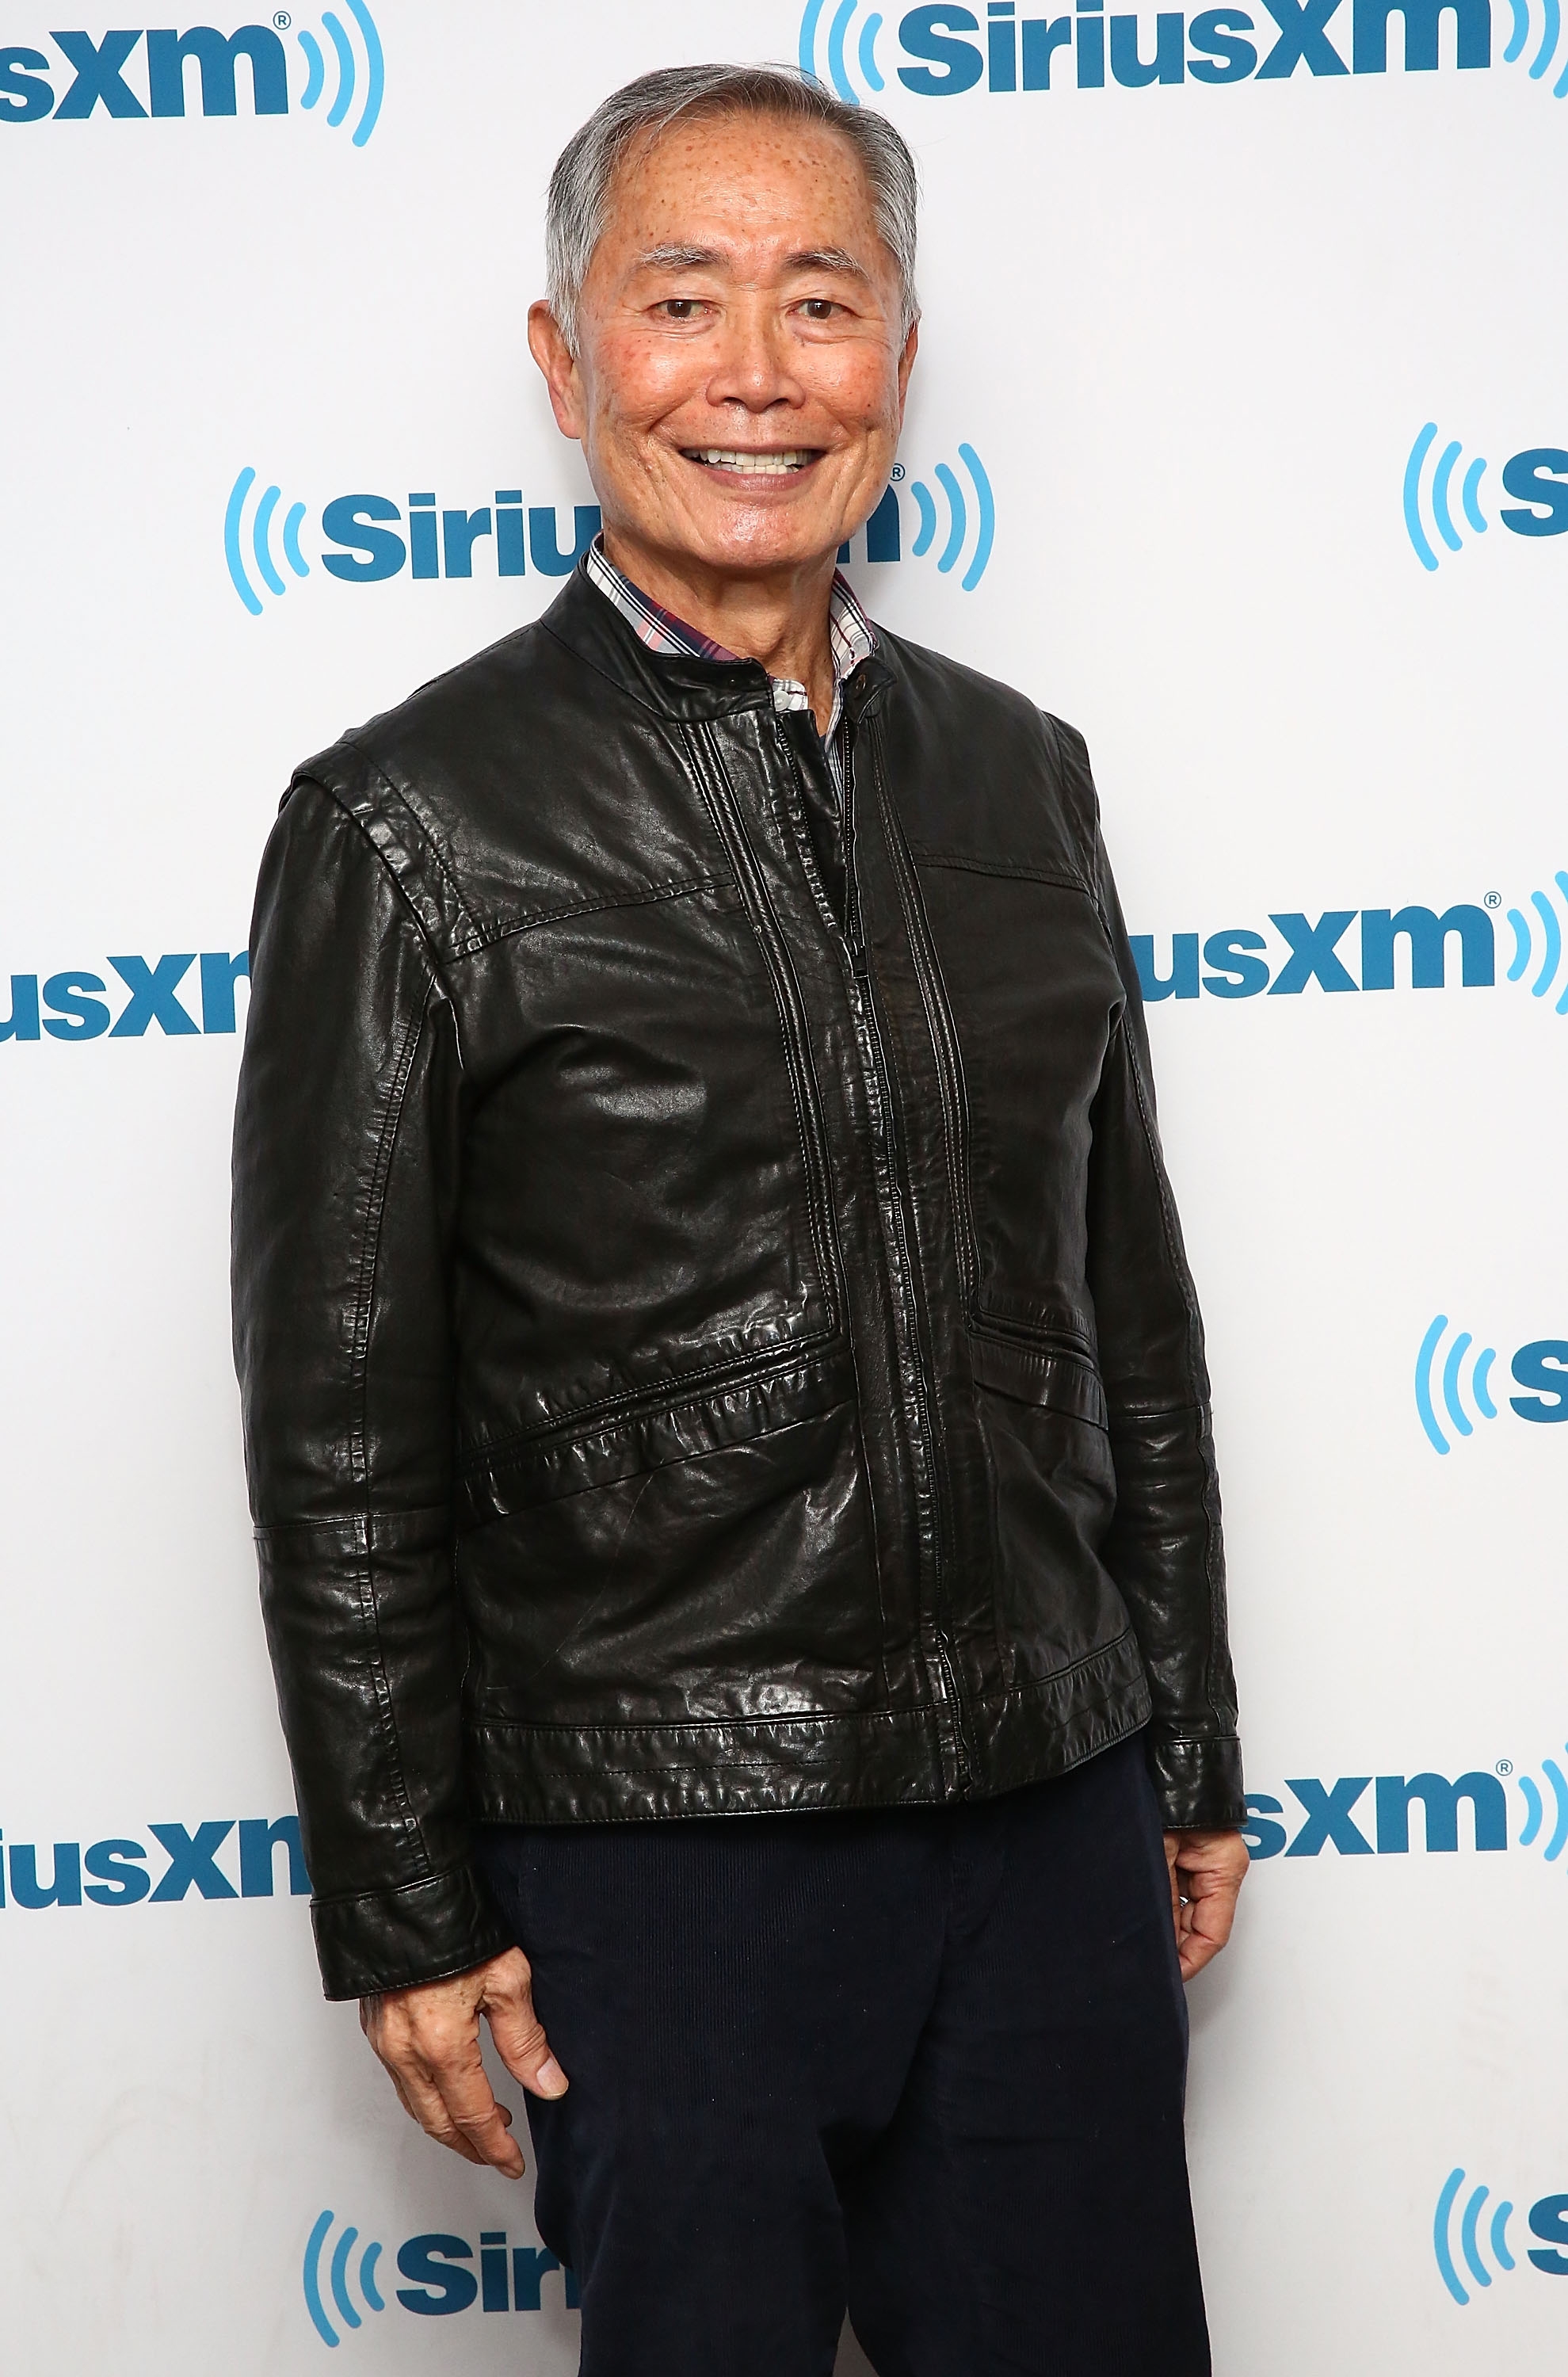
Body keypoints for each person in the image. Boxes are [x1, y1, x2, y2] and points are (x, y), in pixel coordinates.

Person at [231, 61, 1249, 2377]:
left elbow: (1134, 1318)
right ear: (565, 356)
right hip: (653, 1846)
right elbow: (338, 1421)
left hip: (1045, 1816)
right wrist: (399, 1896)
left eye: (824, 299)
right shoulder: (409, 826)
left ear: (900, 348)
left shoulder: (1019, 773)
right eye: (682, 301)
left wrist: (1175, 1740)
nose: (759, 375)